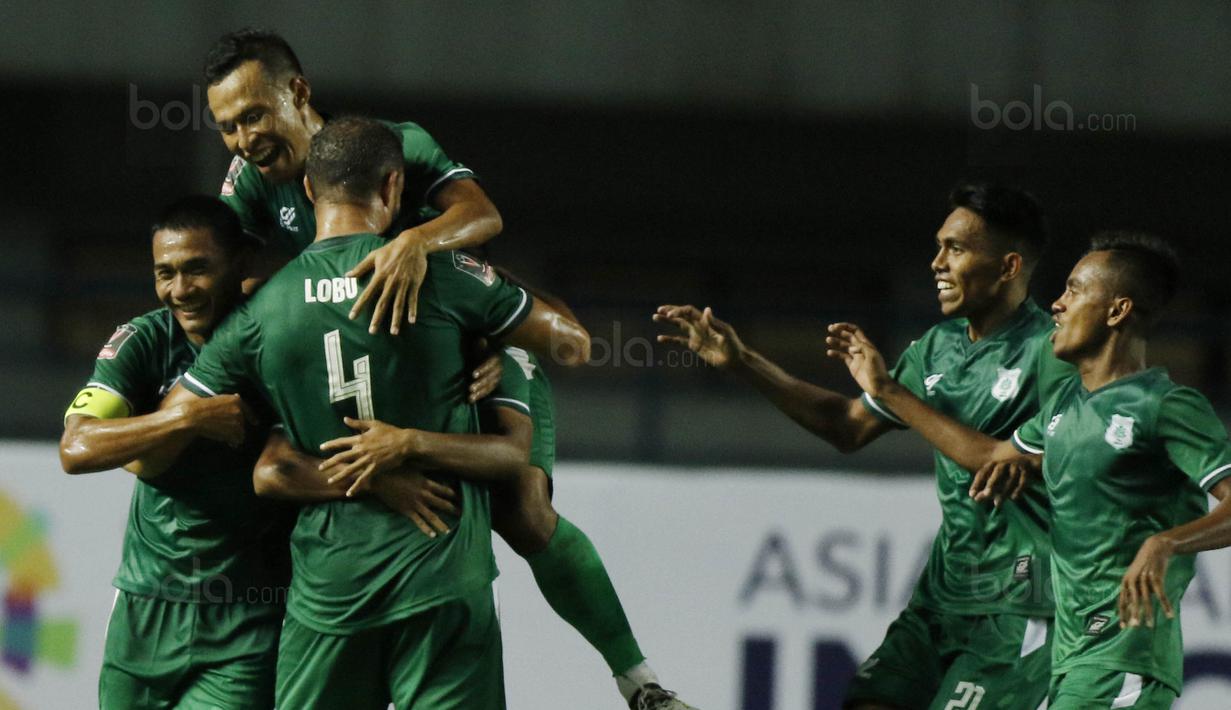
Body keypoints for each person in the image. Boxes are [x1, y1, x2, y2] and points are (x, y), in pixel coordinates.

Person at [150, 117, 585, 708]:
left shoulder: (262, 311)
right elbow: (572, 343)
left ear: (308, 190)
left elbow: (176, 421)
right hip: (442, 581)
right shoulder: (446, 275)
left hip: (329, 596)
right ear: (393, 189)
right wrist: (494, 326)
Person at [656, 183, 1071, 709]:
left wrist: (892, 391)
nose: (937, 262)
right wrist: (744, 362)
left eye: (956, 249)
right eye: (939, 246)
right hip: (941, 599)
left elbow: (1037, 463)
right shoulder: (936, 348)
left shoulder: (1052, 351)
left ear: (1010, 267)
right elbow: (848, 426)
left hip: (1019, 605)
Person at [829, 231, 1231, 709]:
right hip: (1071, 661)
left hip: (1124, 658)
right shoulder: (1063, 408)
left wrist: (1167, 542)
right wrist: (889, 392)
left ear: (1117, 310)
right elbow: (988, 457)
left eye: (1075, 290)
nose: (1057, 305)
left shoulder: (1165, 405)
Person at [258, 334, 697, 709]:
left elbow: (563, 331)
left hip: (463, 352)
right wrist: (377, 482)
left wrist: (491, 339)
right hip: (359, 355)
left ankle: (639, 682)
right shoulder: (294, 279)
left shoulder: (440, 257)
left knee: (523, 512)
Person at [58, 196, 290, 709]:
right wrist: (187, 416)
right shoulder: (142, 341)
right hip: (145, 609)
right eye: (165, 273)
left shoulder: (279, 339)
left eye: (197, 270)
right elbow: (76, 448)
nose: (179, 290)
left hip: (246, 619)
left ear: (242, 263)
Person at [204, 27, 502, 332]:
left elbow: (483, 214)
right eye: (228, 128)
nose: (244, 141)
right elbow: (223, 272)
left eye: (254, 117)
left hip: (437, 320)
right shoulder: (248, 177)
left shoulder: (394, 147)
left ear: (299, 93)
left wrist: (417, 242)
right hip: (349, 332)